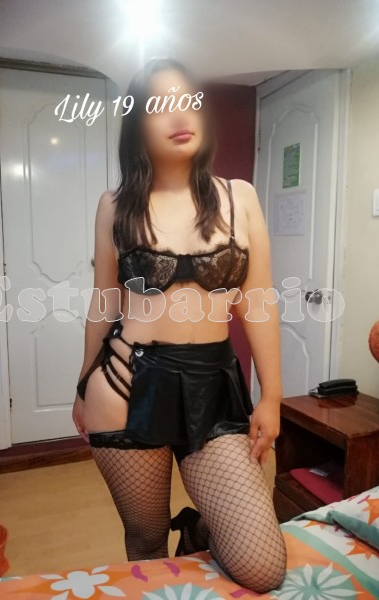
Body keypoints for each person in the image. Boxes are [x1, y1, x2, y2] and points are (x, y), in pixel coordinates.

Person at [72, 56, 287, 594]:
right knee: (145, 541)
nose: (178, 114)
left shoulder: (239, 197)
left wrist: (272, 396)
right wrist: (82, 383)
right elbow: (104, 301)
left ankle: (196, 532)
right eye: (159, 106)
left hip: (214, 386)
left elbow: (258, 301)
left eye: (187, 101)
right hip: (124, 384)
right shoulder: (115, 206)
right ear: (138, 125)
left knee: (262, 565)